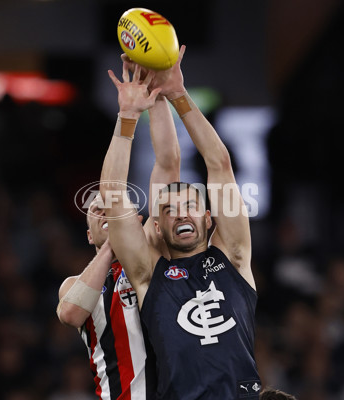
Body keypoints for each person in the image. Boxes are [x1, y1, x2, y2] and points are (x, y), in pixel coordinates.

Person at [101, 45, 261, 399]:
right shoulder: (147, 274)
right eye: (169, 210)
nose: (181, 212)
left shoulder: (234, 257)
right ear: (156, 227)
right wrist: (127, 116)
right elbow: (112, 194)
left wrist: (178, 94)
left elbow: (219, 164)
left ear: (208, 218)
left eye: (190, 204)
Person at [56, 62, 180, 398]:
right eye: (96, 211)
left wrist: (156, 96)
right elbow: (70, 313)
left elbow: (168, 165)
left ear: (139, 222)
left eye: (113, 206)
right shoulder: (77, 286)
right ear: (89, 236)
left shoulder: (155, 255)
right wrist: (113, 246)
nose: (105, 211)